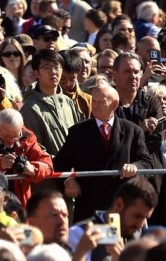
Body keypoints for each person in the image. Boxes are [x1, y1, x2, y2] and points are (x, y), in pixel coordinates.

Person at [55, 80, 155, 223]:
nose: (94, 106)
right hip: (89, 206)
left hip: (122, 205)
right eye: (93, 101)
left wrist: (135, 167)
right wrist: (68, 180)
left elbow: (147, 163)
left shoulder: (132, 130)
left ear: (114, 104)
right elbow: (60, 162)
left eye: (100, 102)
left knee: (119, 245)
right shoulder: (78, 131)